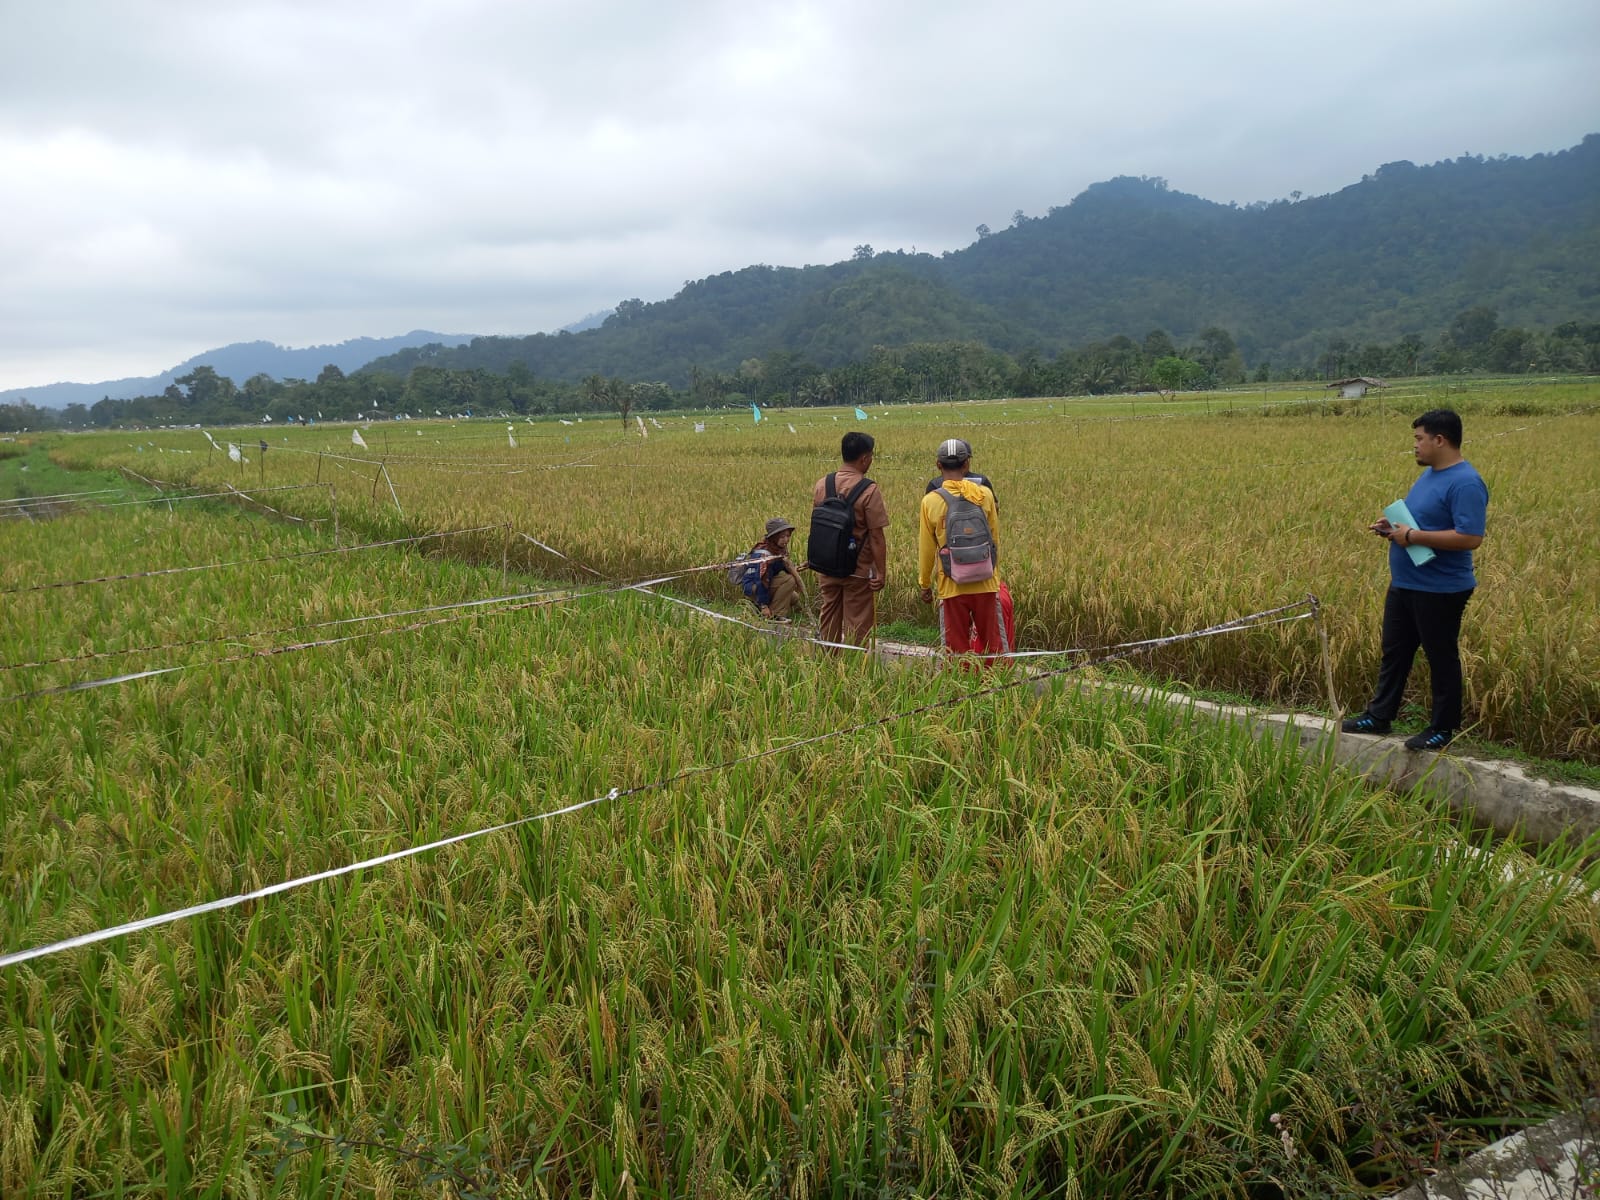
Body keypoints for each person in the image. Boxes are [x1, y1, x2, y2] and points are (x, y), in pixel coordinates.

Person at [1342, 409, 1489, 751]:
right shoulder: (1429, 476)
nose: (1415, 446)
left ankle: (1442, 728)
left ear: (1440, 440)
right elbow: (1419, 523)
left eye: (1419, 439)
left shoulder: (1465, 481)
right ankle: (1379, 716)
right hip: (1406, 582)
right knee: (1395, 651)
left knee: (1441, 657)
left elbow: (1470, 537)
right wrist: (1394, 530)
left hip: (1440, 588)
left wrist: (1414, 536)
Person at [919, 438, 1007, 663]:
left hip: (951, 585)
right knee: (994, 647)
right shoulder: (984, 495)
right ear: (967, 464)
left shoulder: (930, 501)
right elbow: (994, 540)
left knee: (955, 651)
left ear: (938, 466)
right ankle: (994, 692)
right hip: (985, 583)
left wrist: (925, 585)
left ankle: (960, 693)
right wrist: (993, 576)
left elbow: (927, 549)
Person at [809, 431, 889, 647]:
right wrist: (880, 572)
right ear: (864, 458)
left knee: (829, 616)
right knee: (858, 623)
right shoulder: (869, 490)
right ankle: (855, 671)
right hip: (858, 569)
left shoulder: (822, 484)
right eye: (871, 456)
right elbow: (877, 536)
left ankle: (828, 665)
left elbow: (817, 526)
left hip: (826, 565)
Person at [738, 517, 805, 621]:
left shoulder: (777, 550)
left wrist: (794, 567)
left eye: (788, 536)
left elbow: (778, 569)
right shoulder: (764, 555)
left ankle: (757, 610)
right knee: (789, 580)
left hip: (765, 585)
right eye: (782, 537)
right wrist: (764, 605)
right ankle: (775, 615)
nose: (786, 540)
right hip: (754, 587)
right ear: (774, 537)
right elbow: (760, 580)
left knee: (794, 597)